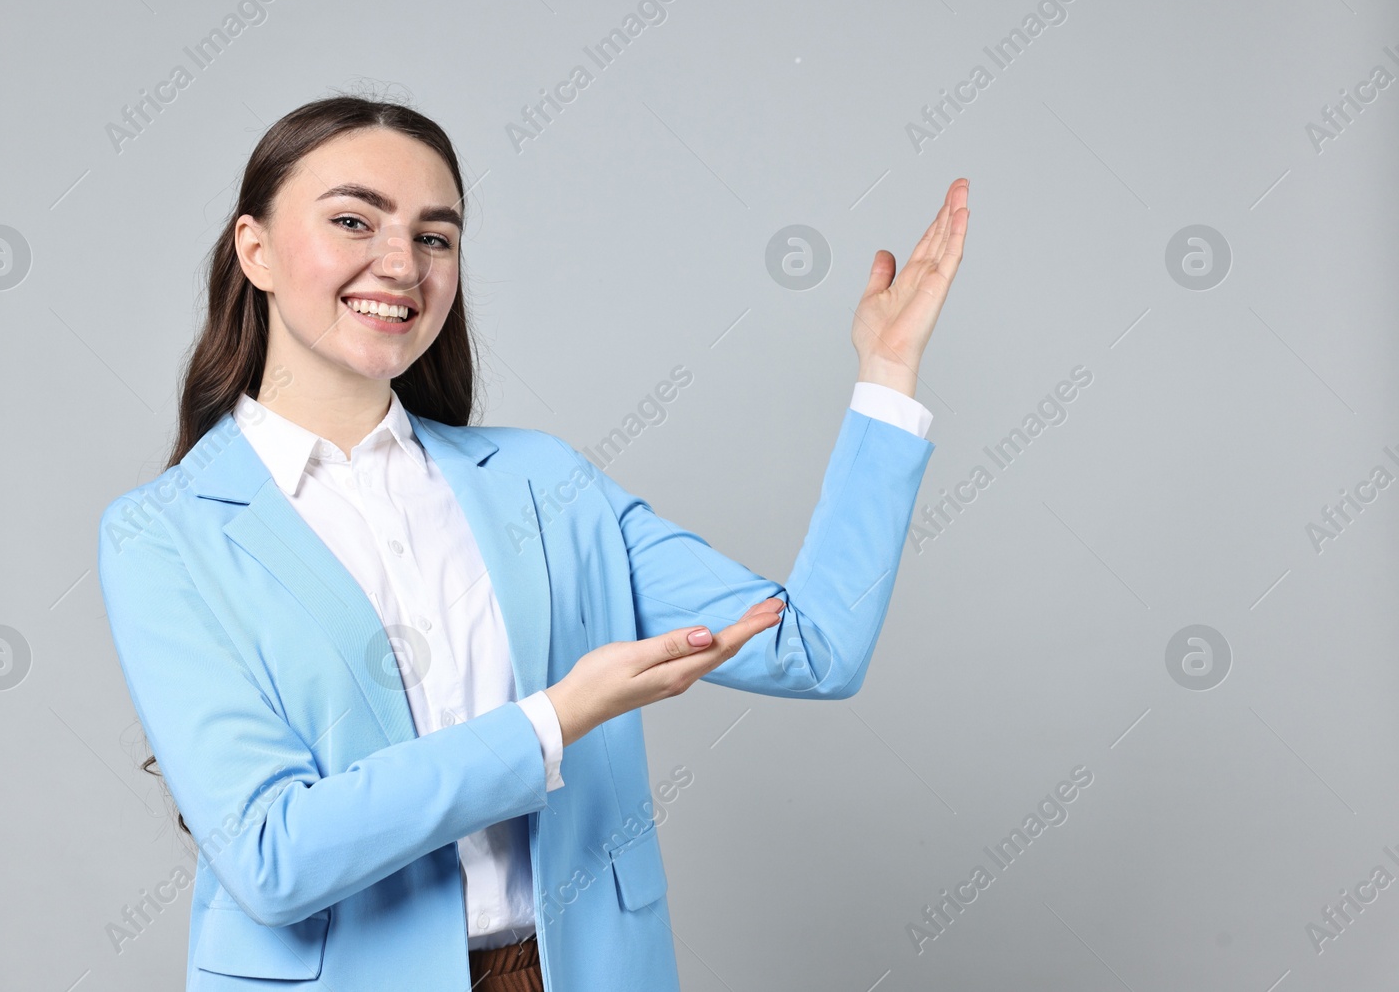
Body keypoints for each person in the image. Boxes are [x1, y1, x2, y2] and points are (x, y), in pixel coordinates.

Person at [96, 95, 969, 991]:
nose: (400, 263)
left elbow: (814, 646)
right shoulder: (163, 534)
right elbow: (273, 857)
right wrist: (550, 721)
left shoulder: (543, 484)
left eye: (436, 237)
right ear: (257, 249)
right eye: (353, 220)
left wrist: (887, 373)